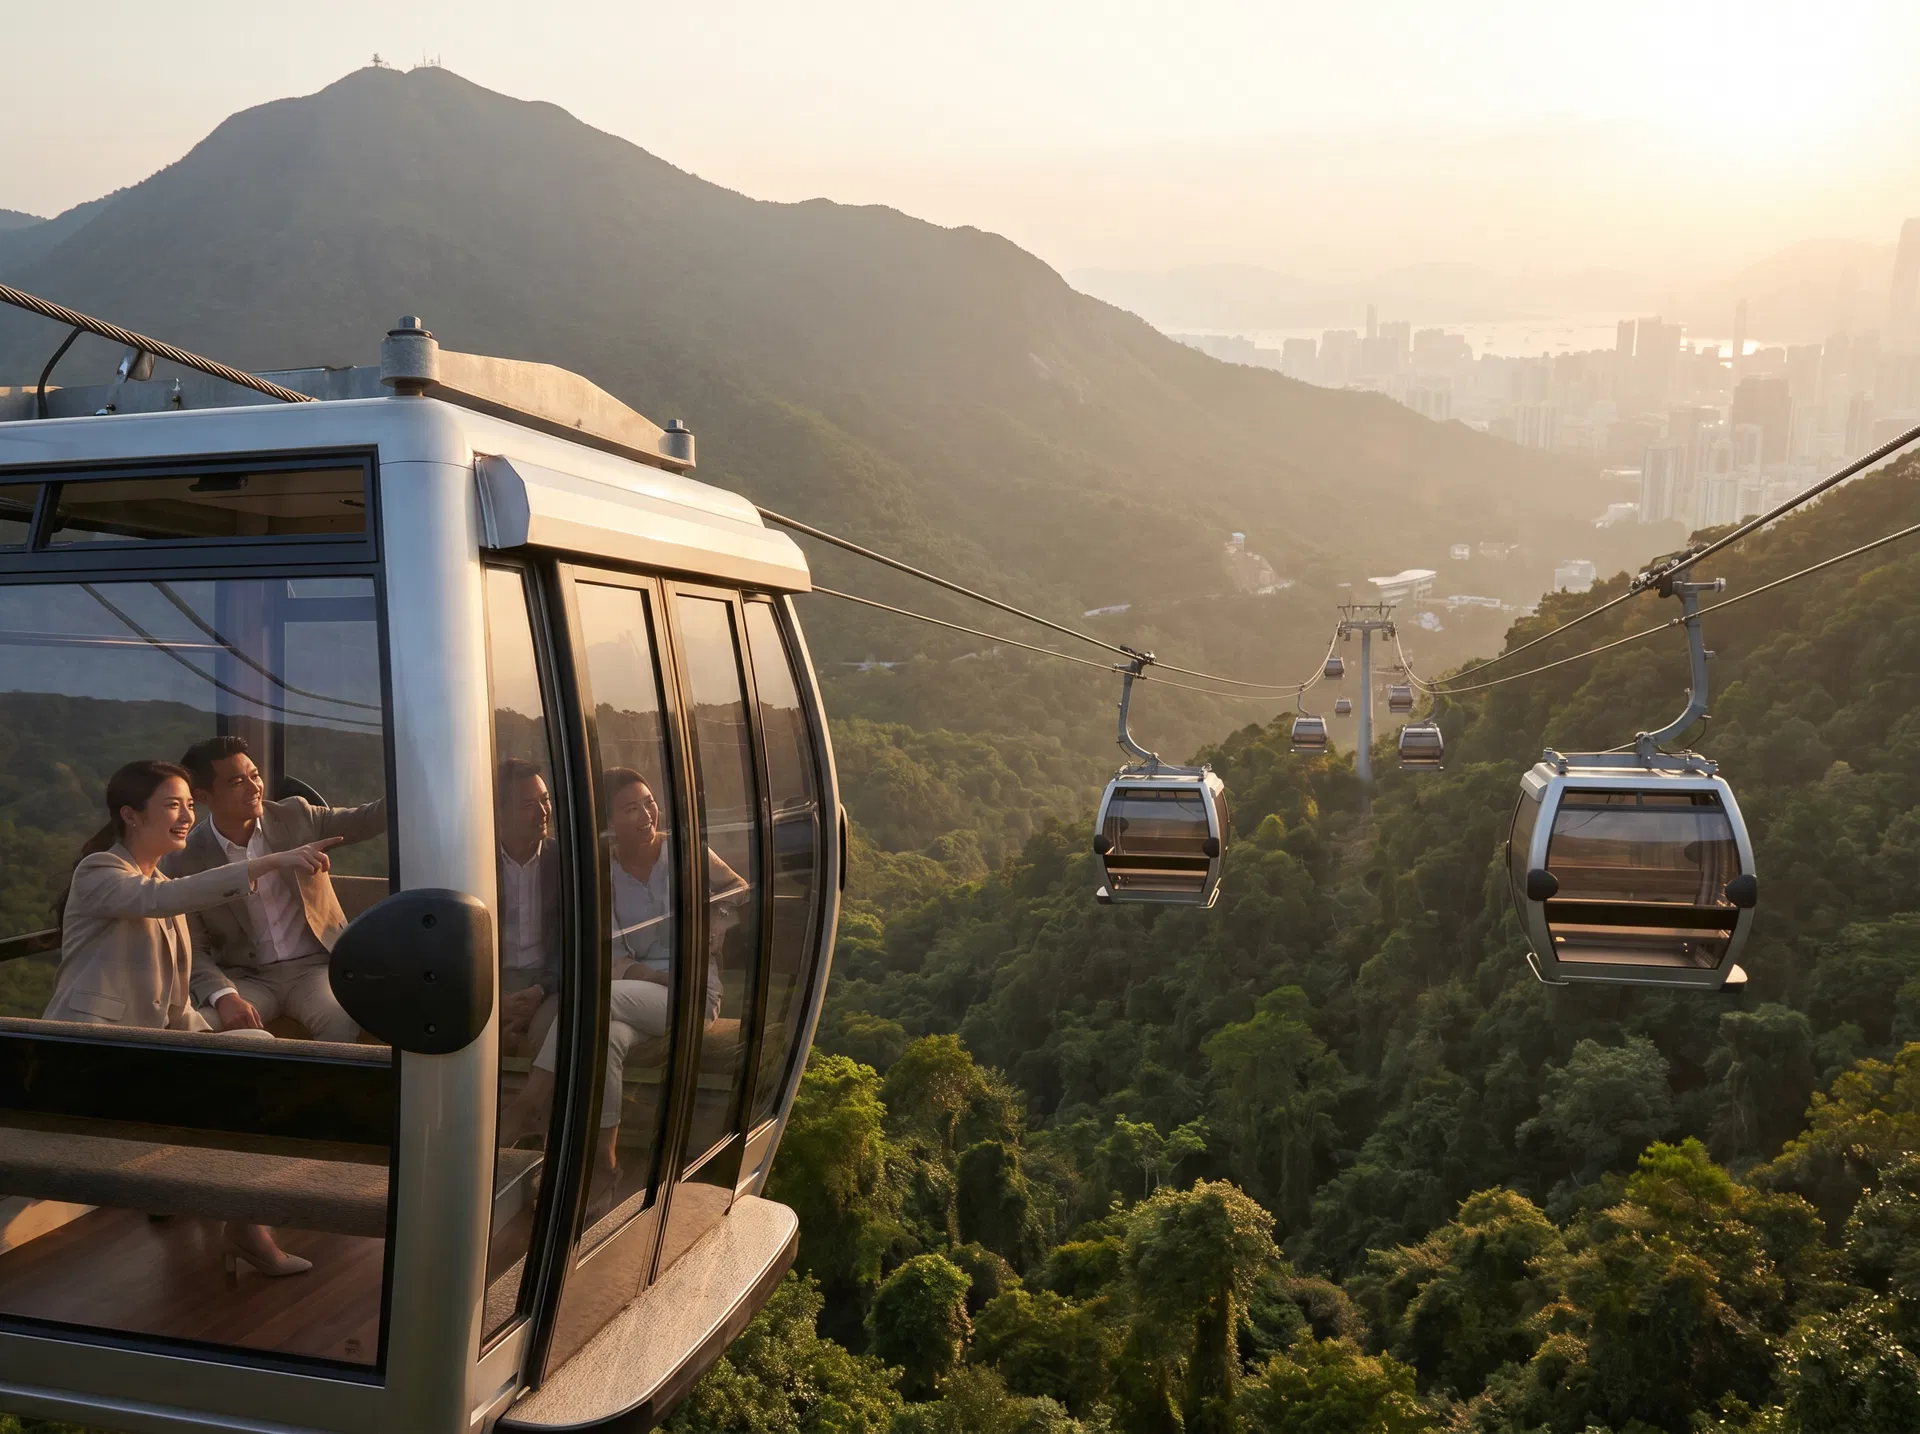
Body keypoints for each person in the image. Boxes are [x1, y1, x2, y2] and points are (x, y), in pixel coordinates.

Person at [47, 758, 341, 1279]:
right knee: (240, 1082)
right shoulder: (99, 872)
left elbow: (175, 1003)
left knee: (261, 1049)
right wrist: (270, 862)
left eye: (189, 804)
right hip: (90, 1059)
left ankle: (240, 1217)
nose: (186, 816)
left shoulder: (157, 878)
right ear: (131, 815)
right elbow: (164, 899)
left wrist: (218, 1024)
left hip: (143, 1052)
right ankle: (238, 1221)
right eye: (172, 805)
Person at [499, 769, 744, 1210]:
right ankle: (604, 1167)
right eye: (631, 809)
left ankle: (528, 1106)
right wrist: (660, 978)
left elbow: (739, 890)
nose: (646, 814)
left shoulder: (685, 852)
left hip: (692, 997)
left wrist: (720, 921)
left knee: (593, 1002)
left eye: (648, 802)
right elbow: (612, 959)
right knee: (605, 1038)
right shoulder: (605, 875)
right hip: (639, 994)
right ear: (610, 821)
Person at [167, 736, 386, 1041]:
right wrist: (223, 995)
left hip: (313, 969)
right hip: (245, 976)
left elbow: (368, 819)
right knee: (199, 1030)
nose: (254, 787)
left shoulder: (295, 815)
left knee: (340, 1020)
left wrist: (416, 776)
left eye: (254, 775)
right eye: (236, 782)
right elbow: (194, 947)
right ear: (204, 795)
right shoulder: (184, 859)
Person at [495, 757, 562, 1056]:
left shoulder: (564, 861)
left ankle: (533, 1104)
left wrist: (540, 990)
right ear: (500, 812)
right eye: (528, 805)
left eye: (545, 800)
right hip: (488, 982)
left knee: (551, 1038)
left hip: (546, 983)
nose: (543, 812)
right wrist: (497, 996)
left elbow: (573, 942)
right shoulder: (474, 862)